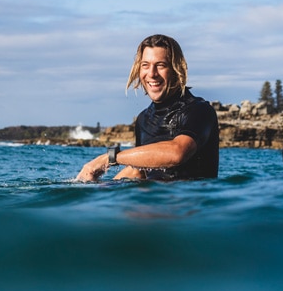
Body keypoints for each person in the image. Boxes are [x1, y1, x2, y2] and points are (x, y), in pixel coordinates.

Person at [76, 34, 219, 182]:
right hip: (152, 203)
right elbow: (140, 171)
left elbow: (177, 152)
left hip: (191, 202)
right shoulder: (143, 119)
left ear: (176, 69)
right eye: (145, 65)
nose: (152, 74)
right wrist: (96, 190)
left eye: (160, 65)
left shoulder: (199, 110)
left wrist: (110, 158)